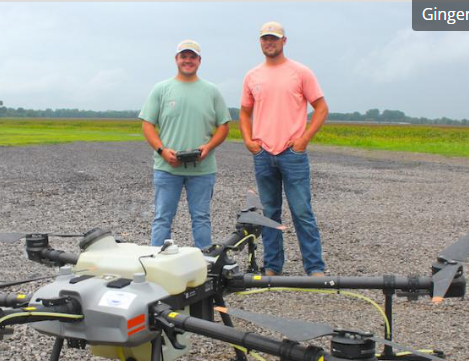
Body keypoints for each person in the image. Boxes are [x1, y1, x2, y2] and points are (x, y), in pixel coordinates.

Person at [239, 21, 329, 276]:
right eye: (265, 39)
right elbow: (245, 112)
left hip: (292, 153)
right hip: (263, 153)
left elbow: (321, 108)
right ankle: (272, 266)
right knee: (269, 213)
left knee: (302, 211)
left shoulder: (300, 72)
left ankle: (314, 267)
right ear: (260, 42)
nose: (269, 43)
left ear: (284, 41)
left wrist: (304, 139)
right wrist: (249, 141)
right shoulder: (252, 76)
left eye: (274, 38)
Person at [139, 40, 231, 250]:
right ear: (176, 59)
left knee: (201, 218)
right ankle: (157, 262)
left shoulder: (212, 91)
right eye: (184, 56)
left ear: (199, 60)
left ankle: (205, 263)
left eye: (192, 57)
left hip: (202, 168)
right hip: (167, 168)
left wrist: (208, 148)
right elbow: (147, 125)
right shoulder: (161, 89)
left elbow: (224, 126)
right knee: (162, 218)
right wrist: (162, 151)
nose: (188, 60)